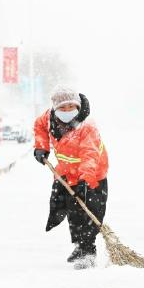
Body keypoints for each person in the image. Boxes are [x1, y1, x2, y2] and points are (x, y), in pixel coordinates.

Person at [33, 86, 109, 270]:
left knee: (90, 212)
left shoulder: (87, 126)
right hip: (66, 173)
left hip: (93, 175)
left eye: (70, 107)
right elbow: (39, 126)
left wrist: (86, 180)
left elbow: (90, 154)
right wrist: (41, 146)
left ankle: (88, 252)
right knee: (72, 211)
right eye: (62, 108)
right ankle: (79, 246)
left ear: (77, 106)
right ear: (55, 109)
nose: (67, 112)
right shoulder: (49, 118)